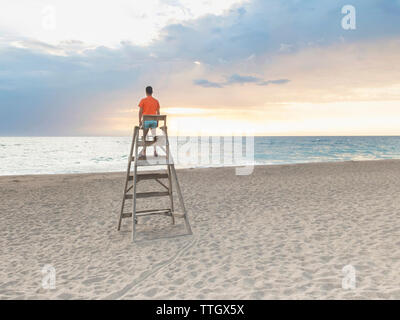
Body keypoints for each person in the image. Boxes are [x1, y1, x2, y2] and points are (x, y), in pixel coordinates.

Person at [138, 86, 160, 159]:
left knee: (144, 137)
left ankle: (144, 152)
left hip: (146, 121)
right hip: (153, 122)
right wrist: (157, 122)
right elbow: (158, 112)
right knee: (154, 136)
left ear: (146, 92)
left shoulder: (143, 100)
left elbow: (140, 112)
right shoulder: (156, 101)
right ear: (152, 92)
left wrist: (139, 122)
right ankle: (155, 151)